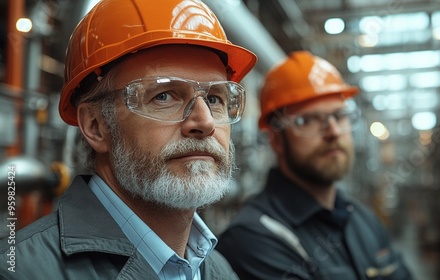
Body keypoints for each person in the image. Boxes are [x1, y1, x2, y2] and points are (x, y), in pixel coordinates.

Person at [0, 0, 256, 279]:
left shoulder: (218, 270)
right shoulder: (21, 271)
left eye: (214, 99)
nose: (205, 122)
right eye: (163, 96)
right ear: (96, 126)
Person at [217, 51, 413, 279]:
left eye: (339, 115)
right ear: (276, 139)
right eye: (307, 120)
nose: (333, 131)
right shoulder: (253, 240)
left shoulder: (362, 218)